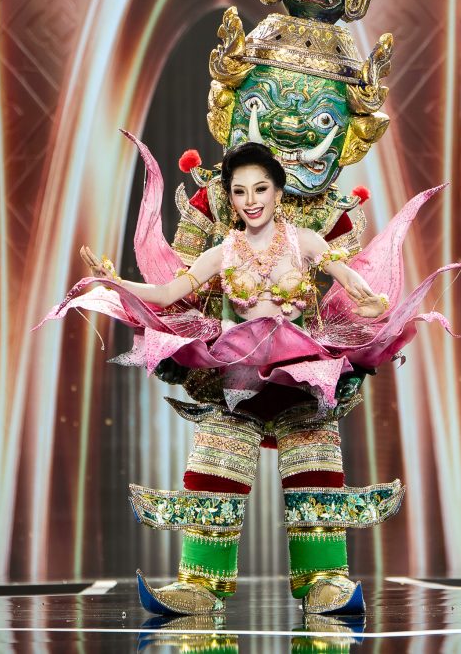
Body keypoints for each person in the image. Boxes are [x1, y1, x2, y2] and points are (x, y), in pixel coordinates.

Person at [79, 142, 391, 618]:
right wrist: (115, 283)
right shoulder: (222, 252)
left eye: (260, 189)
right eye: (240, 191)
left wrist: (371, 302)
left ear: (278, 192)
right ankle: (199, 584)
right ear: (229, 196)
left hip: (300, 384)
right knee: (213, 469)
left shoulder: (304, 242)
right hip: (237, 385)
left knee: (315, 469)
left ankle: (325, 580)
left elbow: (350, 279)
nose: (251, 200)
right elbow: (167, 292)